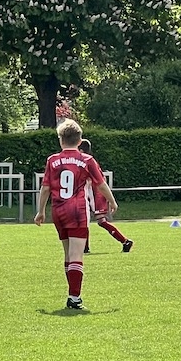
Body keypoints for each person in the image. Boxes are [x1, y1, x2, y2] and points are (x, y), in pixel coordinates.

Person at [33, 119, 117, 310]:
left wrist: (40, 211)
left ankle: (72, 294)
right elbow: (101, 184)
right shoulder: (87, 160)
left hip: (58, 211)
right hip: (77, 211)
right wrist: (112, 201)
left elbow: (45, 188)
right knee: (76, 254)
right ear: (80, 141)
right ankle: (74, 297)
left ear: (60, 140)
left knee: (68, 253)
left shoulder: (52, 160)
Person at [78, 138, 131, 253]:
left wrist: (110, 200)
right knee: (85, 220)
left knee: (99, 221)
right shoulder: (87, 160)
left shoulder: (86, 160)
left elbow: (99, 181)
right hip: (93, 192)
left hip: (94, 192)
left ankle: (125, 241)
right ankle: (85, 248)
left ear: (81, 150)